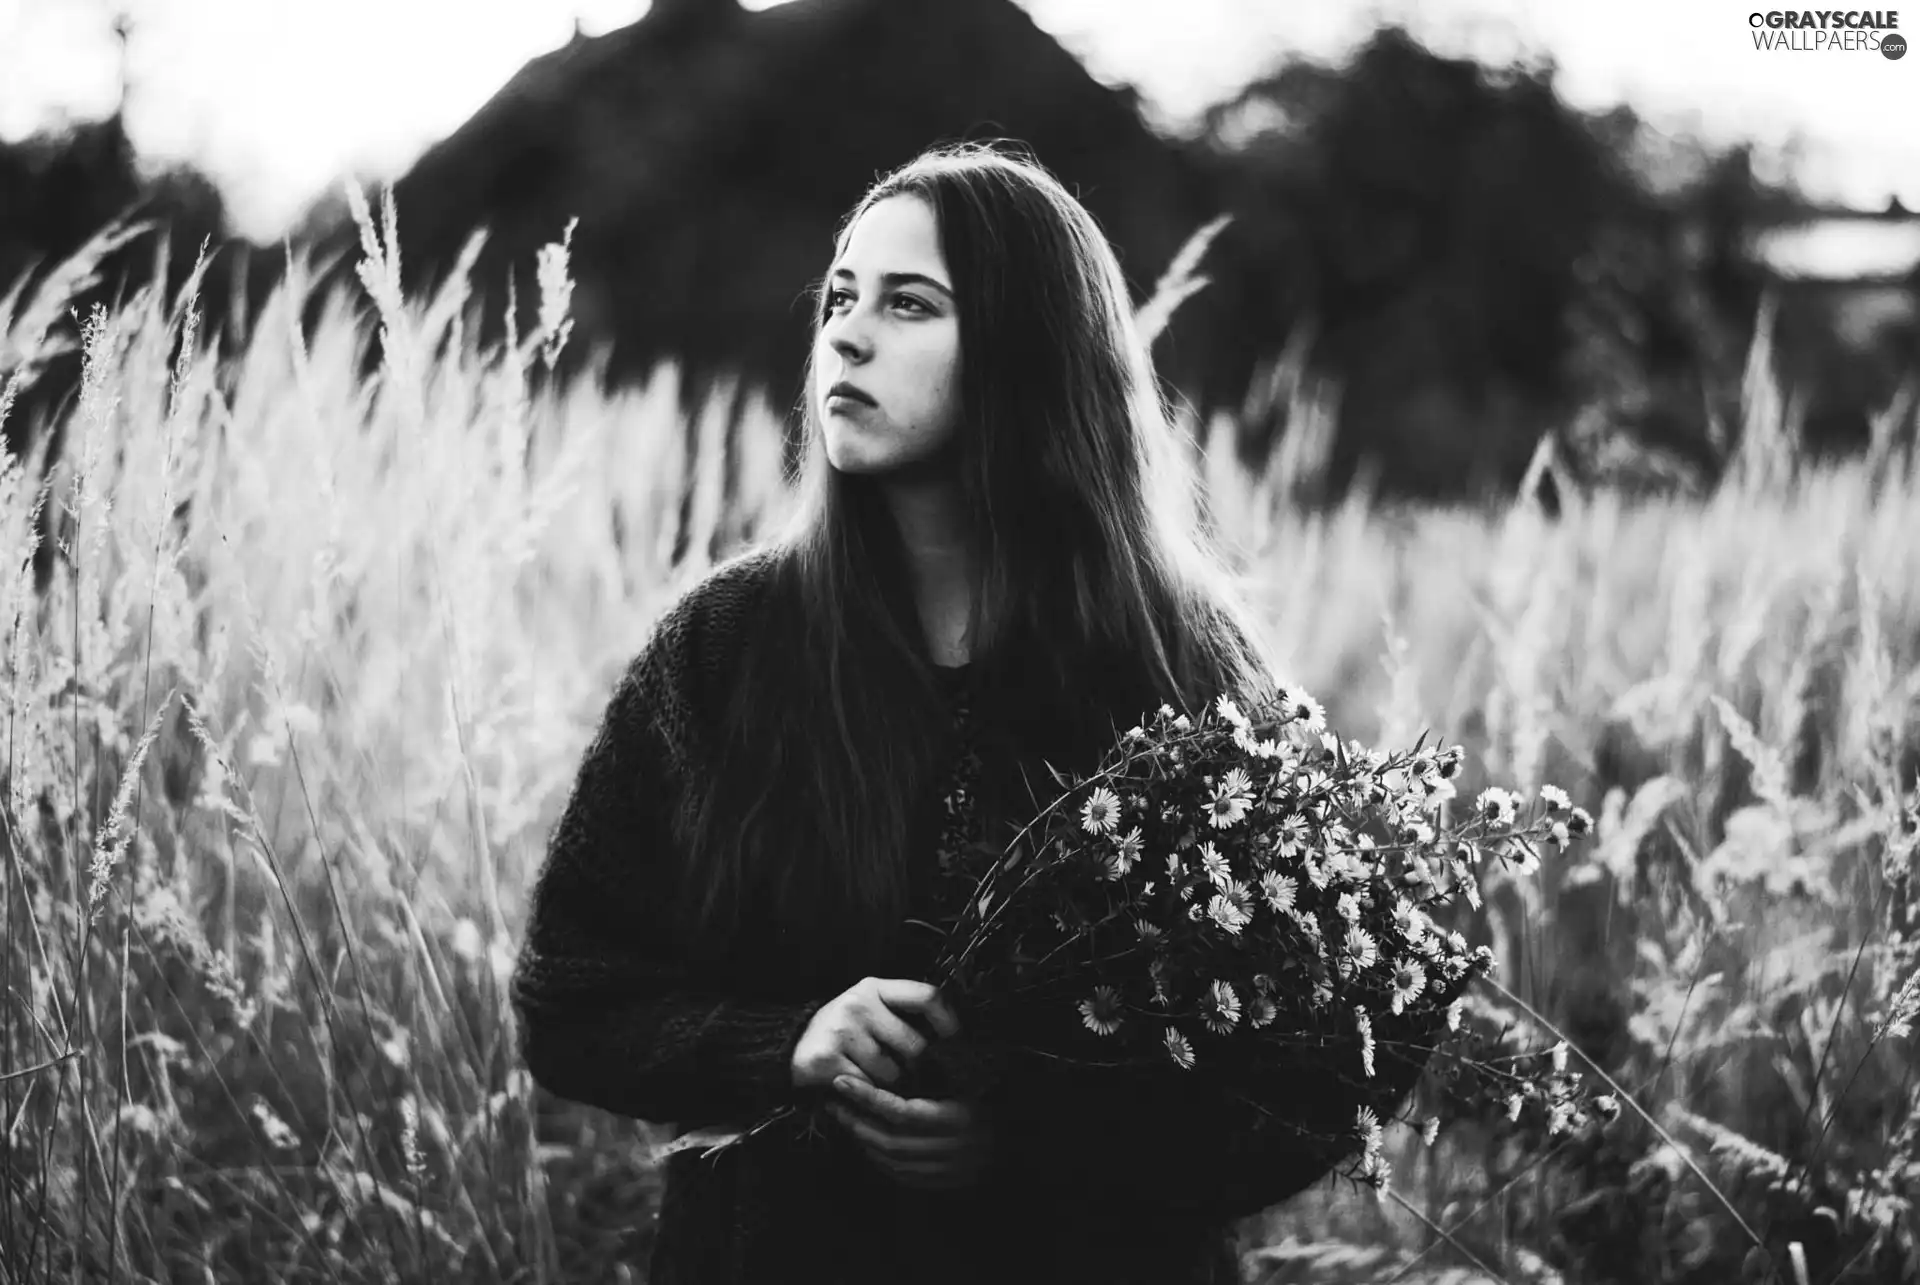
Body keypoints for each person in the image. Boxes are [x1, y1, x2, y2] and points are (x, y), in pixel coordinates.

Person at [511, 142, 1420, 1284]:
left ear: (1028, 353)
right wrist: (785, 1042)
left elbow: (1334, 1046)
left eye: (909, 304)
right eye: (841, 297)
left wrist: (1039, 1138)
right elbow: (574, 1000)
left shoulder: (1177, 661)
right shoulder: (729, 646)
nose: (844, 333)